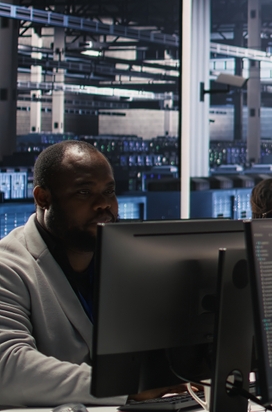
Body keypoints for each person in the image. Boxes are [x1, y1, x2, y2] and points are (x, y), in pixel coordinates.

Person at [0, 140, 180, 407]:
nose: (103, 204)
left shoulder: (131, 261)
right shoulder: (8, 266)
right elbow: (8, 368)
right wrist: (128, 386)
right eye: (84, 192)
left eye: (109, 191)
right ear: (43, 198)